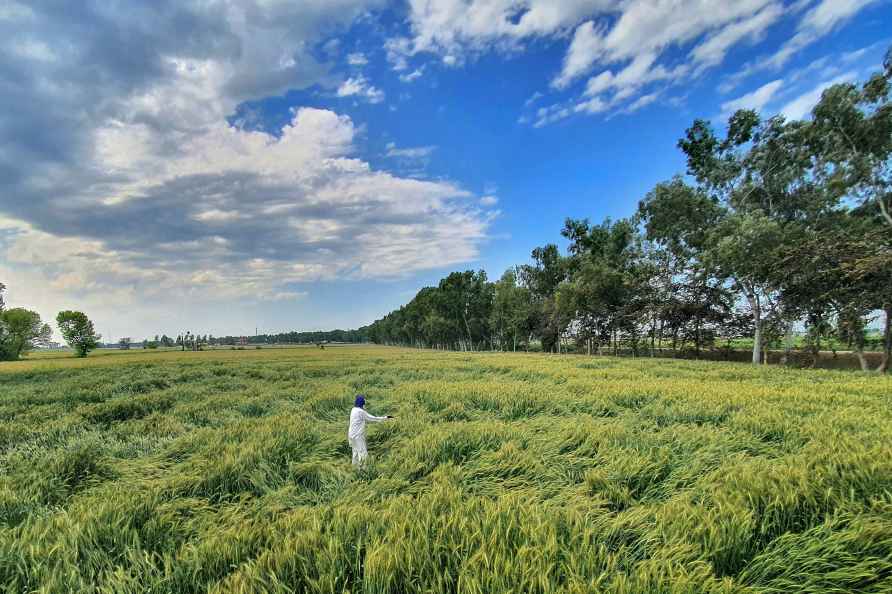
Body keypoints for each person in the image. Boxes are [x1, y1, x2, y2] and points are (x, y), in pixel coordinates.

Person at [347, 395, 392, 467]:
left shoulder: (353, 409)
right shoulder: (360, 412)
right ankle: (363, 471)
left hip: (351, 435)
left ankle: (354, 468)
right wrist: (385, 418)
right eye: (364, 403)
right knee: (363, 454)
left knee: (355, 452)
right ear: (362, 403)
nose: (364, 405)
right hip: (358, 436)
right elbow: (373, 418)